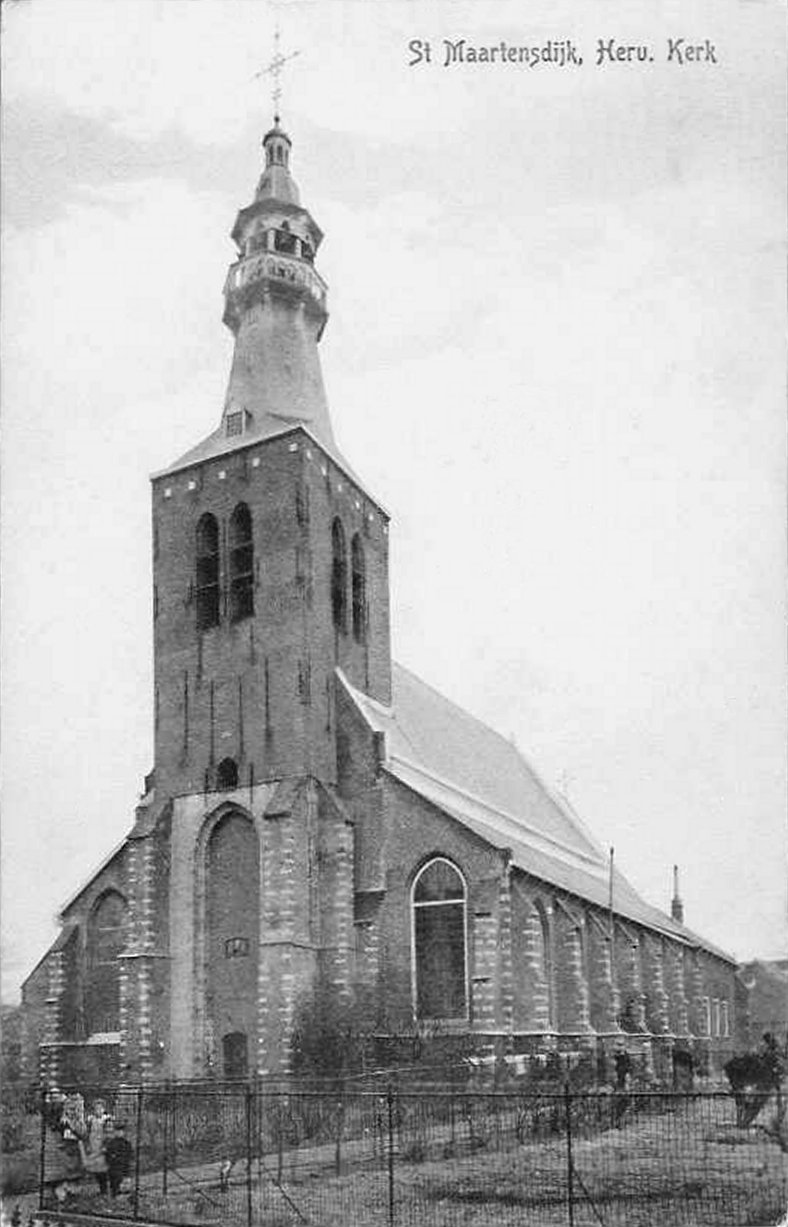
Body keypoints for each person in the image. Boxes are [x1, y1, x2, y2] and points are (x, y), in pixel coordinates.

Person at [80, 1099, 110, 1195]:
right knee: (95, 1168)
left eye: (100, 1108)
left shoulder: (106, 1119)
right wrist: (87, 1144)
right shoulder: (91, 1119)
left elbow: (109, 1133)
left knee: (103, 1168)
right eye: (96, 1109)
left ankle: (104, 1189)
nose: (98, 1111)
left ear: (104, 1109)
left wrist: (105, 1145)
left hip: (102, 1145)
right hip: (93, 1145)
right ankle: (100, 1188)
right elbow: (87, 1132)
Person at [105, 1121, 134, 1198]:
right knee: (114, 1182)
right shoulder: (111, 1143)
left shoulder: (127, 1143)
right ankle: (114, 1194)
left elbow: (129, 1155)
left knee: (124, 1182)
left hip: (124, 1166)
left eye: (121, 1131)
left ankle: (123, 1193)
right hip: (114, 1167)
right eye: (117, 1131)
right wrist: (112, 1159)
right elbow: (108, 1155)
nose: (119, 1133)